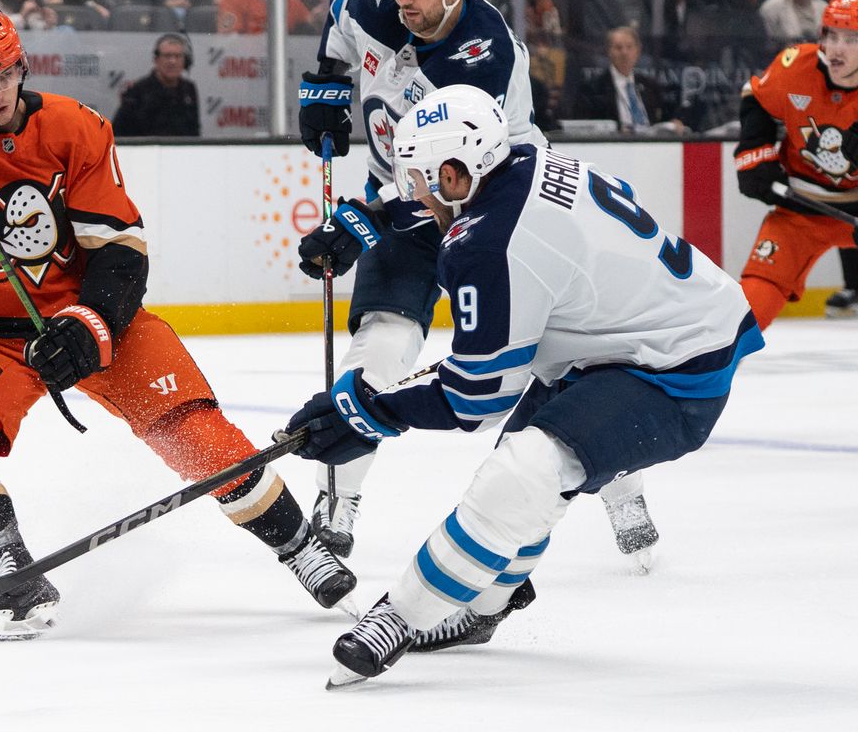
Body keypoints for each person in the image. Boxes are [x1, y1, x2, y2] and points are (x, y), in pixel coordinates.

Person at [0, 0, 352, 640]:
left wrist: (90, 324)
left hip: (93, 318)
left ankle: (299, 545)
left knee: (194, 430)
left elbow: (122, 252)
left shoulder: (76, 127)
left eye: (0, 74)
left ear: (21, 65)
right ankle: (9, 563)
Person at [283, 84, 764, 687]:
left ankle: (399, 617)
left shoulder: (486, 245)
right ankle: (484, 607)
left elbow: (476, 398)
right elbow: (472, 226)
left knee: (527, 471)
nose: (416, 195)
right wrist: (372, 219)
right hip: (634, 334)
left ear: (456, 175)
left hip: (676, 365)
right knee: (528, 476)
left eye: (421, 182)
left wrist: (369, 411)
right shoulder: (523, 160)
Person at [296, 0, 657, 567]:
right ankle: (341, 496)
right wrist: (325, 85)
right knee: (381, 337)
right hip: (403, 193)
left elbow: (453, 178)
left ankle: (623, 485)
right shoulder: (372, 4)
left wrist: (361, 224)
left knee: (563, 361)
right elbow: (337, 23)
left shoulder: (481, 56)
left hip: (502, 208)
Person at [734, 0, 858, 330]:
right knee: (748, 310)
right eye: (831, 35)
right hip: (799, 209)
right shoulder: (796, 66)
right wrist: (754, 156)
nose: (836, 48)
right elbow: (757, 98)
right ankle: (696, 376)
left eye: (850, 39)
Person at [570, 26, 683, 132]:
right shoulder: (593, 88)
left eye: (629, 47)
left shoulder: (650, 85)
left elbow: (665, 118)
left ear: (638, 51)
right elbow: (585, 126)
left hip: (650, 146)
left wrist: (674, 122)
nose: (624, 53)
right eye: (618, 48)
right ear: (609, 52)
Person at [112, 33, 199, 137]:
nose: (173, 61)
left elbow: (194, 132)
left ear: (185, 61)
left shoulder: (189, 89)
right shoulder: (137, 91)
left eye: (177, 56)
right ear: (156, 60)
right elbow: (118, 133)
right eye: (167, 56)